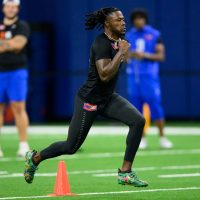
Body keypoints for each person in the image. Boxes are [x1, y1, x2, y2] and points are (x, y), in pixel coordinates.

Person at [24, 7, 148, 187]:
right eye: (118, 20)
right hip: (89, 100)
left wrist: (125, 53)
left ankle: (125, 173)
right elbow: (104, 74)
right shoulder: (101, 43)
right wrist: (121, 53)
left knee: (138, 121)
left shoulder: (120, 41)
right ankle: (35, 159)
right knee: (71, 147)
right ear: (107, 24)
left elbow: (120, 63)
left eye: (123, 19)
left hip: (107, 98)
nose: (123, 23)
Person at [126, 8, 173, 149]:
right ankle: (142, 139)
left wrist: (144, 55)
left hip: (149, 78)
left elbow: (161, 56)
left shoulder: (154, 34)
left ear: (145, 20)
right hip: (133, 78)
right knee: (136, 111)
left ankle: (162, 137)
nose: (138, 21)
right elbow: (124, 56)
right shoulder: (129, 35)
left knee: (156, 108)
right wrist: (129, 56)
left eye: (141, 18)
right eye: (136, 19)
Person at [0, 0, 30, 157]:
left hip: (17, 72)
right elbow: (11, 44)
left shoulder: (22, 26)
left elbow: (18, 45)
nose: (11, 9)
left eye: (14, 6)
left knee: (18, 108)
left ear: (17, 9)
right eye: (8, 6)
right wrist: (8, 44)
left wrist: (7, 44)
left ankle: (23, 144)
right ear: (4, 8)